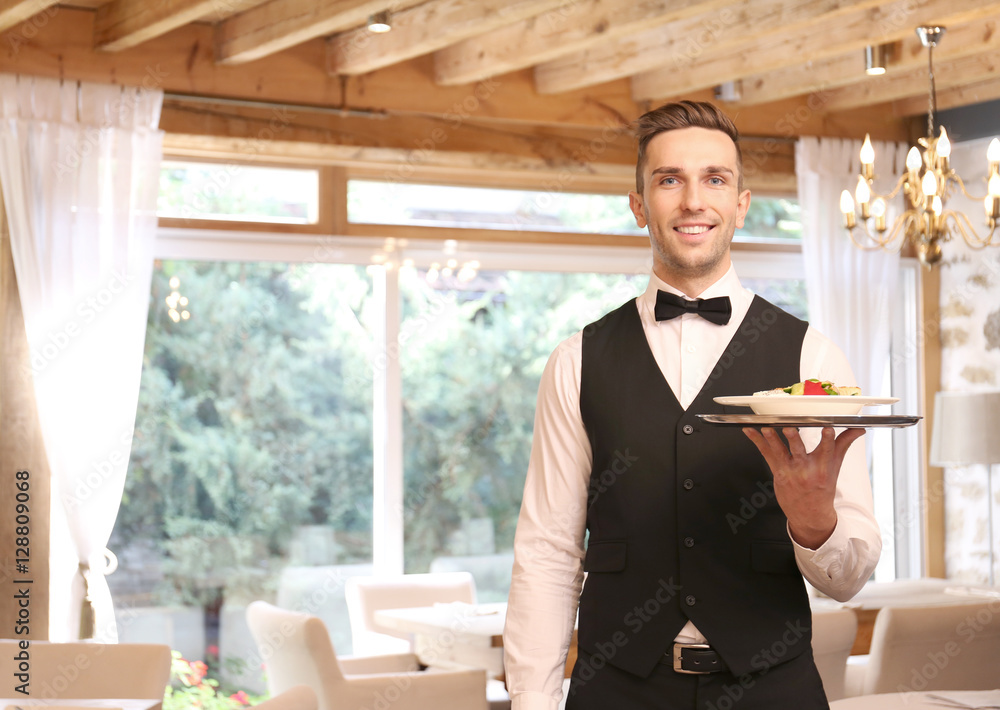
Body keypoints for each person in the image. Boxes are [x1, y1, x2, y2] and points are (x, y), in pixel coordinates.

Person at [502, 100, 881, 710]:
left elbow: (850, 580)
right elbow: (548, 550)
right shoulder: (576, 360)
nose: (692, 201)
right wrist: (532, 700)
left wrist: (816, 527)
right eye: (668, 180)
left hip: (772, 689)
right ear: (639, 205)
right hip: (617, 690)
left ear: (741, 203)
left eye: (715, 179)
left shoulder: (813, 358)